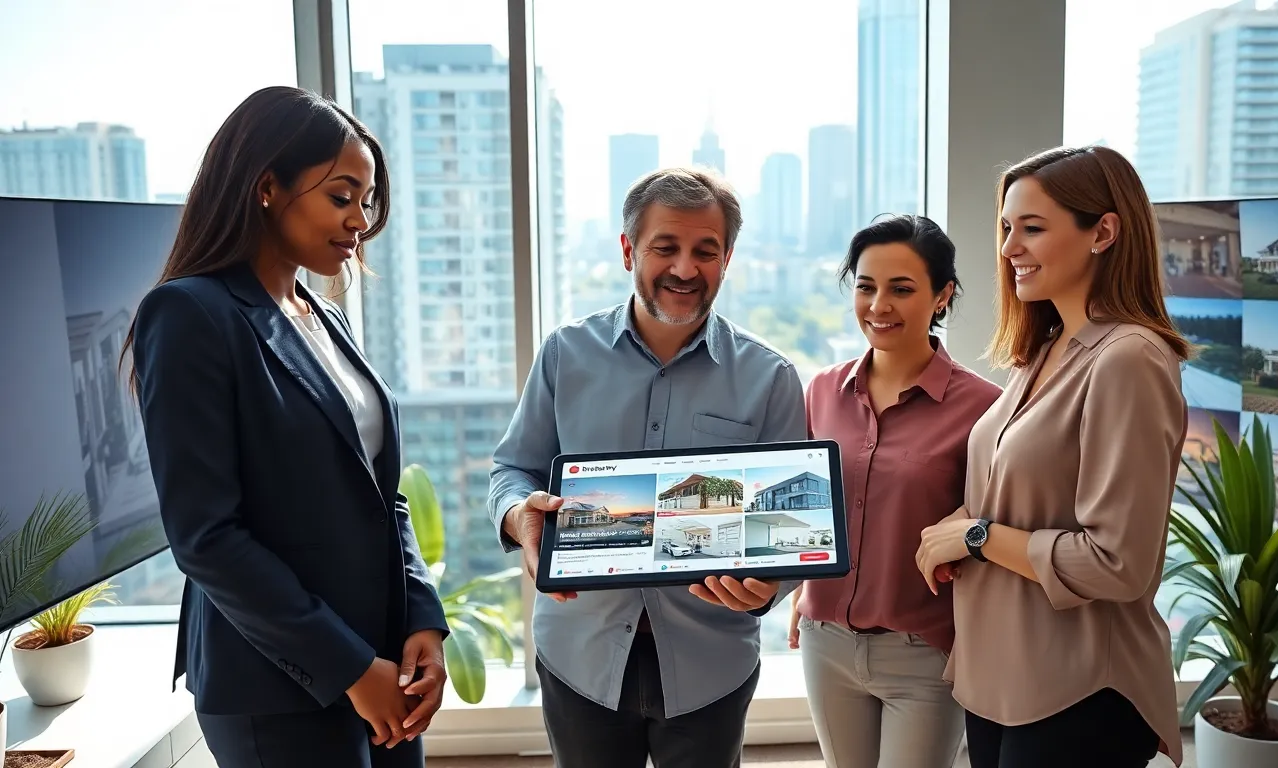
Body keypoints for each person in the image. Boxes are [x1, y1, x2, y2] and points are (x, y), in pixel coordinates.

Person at [126, 86, 449, 767]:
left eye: (367, 200)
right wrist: (351, 669)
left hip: (381, 663)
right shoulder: (189, 315)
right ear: (266, 186)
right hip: (279, 686)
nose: (360, 219)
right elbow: (207, 537)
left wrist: (422, 618)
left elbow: (379, 492)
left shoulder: (320, 313)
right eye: (341, 197)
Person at [489, 167, 807, 768]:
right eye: (666, 247)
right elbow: (512, 470)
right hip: (579, 652)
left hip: (710, 660)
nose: (685, 269)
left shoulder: (771, 377)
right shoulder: (565, 354)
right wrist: (518, 516)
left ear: (726, 259)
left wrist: (770, 586)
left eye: (704, 251)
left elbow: (787, 522)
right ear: (629, 249)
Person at [915, 145, 1190, 768]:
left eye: (1032, 228)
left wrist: (977, 536)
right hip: (998, 676)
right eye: (1007, 228)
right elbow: (1016, 488)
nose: (1010, 247)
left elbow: (1118, 563)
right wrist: (957, 525)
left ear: (1104, 232)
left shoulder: (1129, 359)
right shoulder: (1044, 350)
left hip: (1079, 689)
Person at [796, 216, 1001, 768]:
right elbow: (808, 508)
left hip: (924, 651)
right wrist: (800, 587)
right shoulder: (820, 391)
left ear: (943, 296)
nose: (878, 305)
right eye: (866, 287)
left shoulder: (986, 408)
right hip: (826, 640)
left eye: (901, 289)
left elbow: (988, 528)